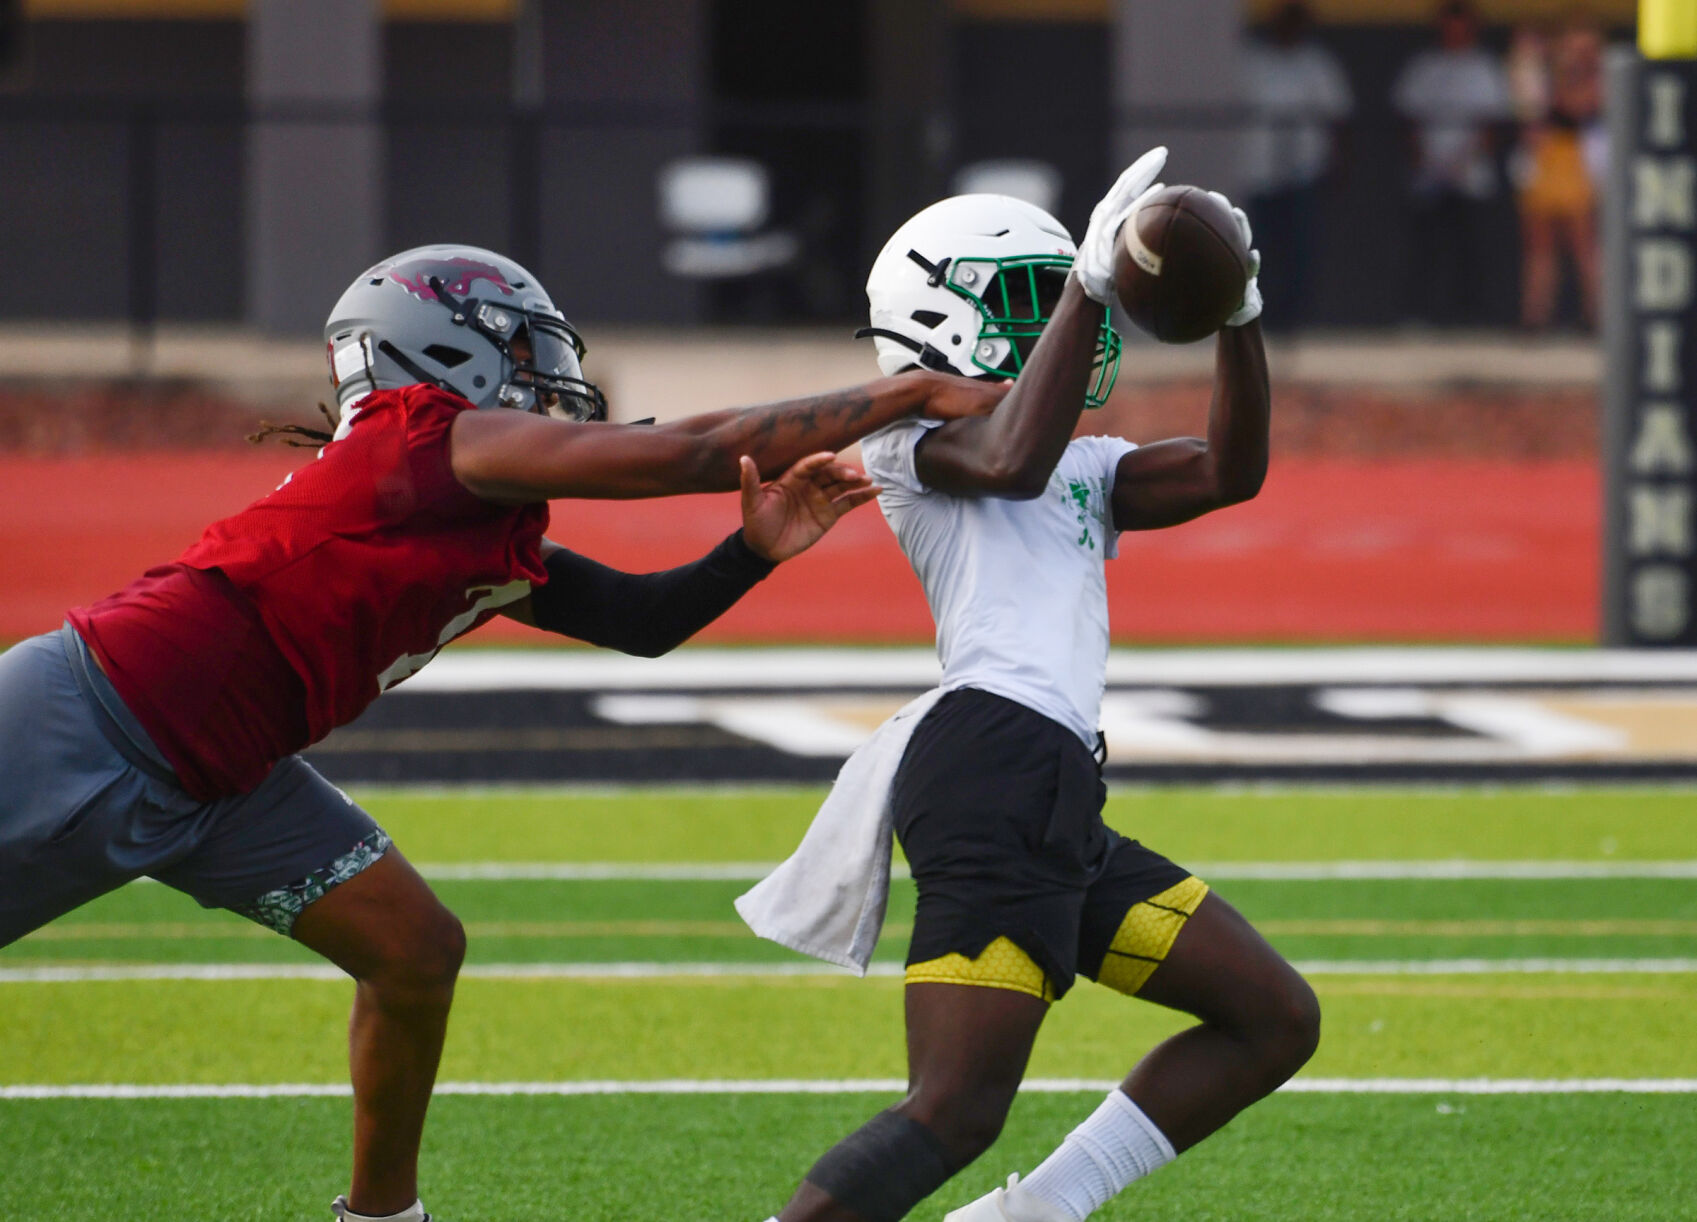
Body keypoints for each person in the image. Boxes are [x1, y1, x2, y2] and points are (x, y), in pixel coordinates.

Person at [0, 243, 1004, 1222]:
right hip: (93, 712)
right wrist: (911, 389)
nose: (550, 379)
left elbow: (640, 623)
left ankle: (382, 1215)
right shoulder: (428, 434)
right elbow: (688, 453)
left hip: (230, 780)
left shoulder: (468, 504)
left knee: (414, 950)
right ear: (438, 352)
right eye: (523, 352)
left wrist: (751, 551)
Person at [748, 149, 1318, 1222]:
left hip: (1049, 791)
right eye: (1018, 294)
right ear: (935, 309)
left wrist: (1238, 309)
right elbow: (1006, 456)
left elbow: (1227, 471)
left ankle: (1031, 1213)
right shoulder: (904, 436)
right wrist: (1088, 286)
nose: (1059, 315)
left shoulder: (1080, 462)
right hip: (991, 766)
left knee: (1270, 1016)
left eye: (1055, 292)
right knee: (951, 1109)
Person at [1392, 0, 1513, 325]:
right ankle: (1417, 317)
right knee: (1426, 250)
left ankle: (1471, 319)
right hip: (1428, 175)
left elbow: (1491, 125)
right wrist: (1427, 162)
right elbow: (1409, 120)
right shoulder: (1424, 66)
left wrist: (1463, 162)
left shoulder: (1485, 66)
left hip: (1470, 175)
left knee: (1471, 251)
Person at [1241, 0, 1353, 329]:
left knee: (1300, 253)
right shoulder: (1253, 61)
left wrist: (1339, 162)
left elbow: (1339, 117)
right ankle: (1258, 316)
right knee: (1259, 251)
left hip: (1303, 172)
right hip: (1260, 172)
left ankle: (1296, 321)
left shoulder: (1317, 63)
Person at [1509, 18, 1604, 330]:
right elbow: (1528, 109)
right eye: (1573, 46)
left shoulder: (1599, 77)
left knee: (1584, 244)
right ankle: (1534, 318)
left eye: (1585, 48)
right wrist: (1534, 61)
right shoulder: (1541, 71)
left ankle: (1597, 317)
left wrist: (1560, 77)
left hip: (1577, 160)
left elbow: (1580, 106)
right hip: (1544, 162)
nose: (1577, 53)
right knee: (1540, 246)